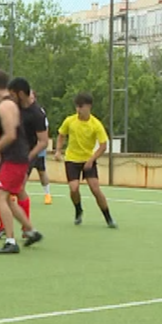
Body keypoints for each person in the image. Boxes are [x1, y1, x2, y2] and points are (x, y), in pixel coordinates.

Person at [0, 71, 44, 254]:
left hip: (16, 158)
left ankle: (10, 241)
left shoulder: (5, 106)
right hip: (15, 157)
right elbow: (14, 132)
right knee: (8, 198)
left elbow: (11, 135)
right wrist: (1, 152)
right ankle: (31, 231)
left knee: (0, 197)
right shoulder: (11, 104)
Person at [54, 92, 116, 228]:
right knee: (74, 188)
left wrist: (91, 160)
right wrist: (58, 150)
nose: (78, 109)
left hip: (88, 160)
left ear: (88, 106)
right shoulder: (70, 121)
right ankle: (78, 210)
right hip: (72, 159)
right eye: (77, 106)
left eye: (81, 106)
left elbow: (103, 146)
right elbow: (61, 135)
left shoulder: (96, 124)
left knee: (95, 189)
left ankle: (108, 217)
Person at [28, 91, 54, 204]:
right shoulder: (21, 110)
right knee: (22, 171)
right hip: (26, 147)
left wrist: (42, 143)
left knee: (41, 171)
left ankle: (47, 194)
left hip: (38, 147)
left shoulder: (39, 112)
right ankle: (15, 193)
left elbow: (45, 128)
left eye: (31, 95)